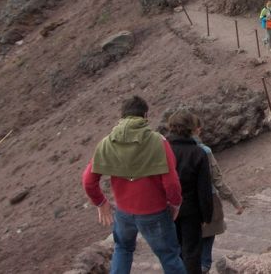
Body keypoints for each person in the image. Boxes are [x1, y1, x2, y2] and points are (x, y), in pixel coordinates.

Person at [82, 96, 186, 274]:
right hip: (155, 213)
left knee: (123, 249)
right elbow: (171, 183)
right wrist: (175, 203)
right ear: (145, 115)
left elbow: (88, 180)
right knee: (168, 256)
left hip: (124, 213)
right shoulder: (158, 142)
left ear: (122, 116)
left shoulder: (107, 143)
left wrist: (101, 202)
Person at [193, 118, 243, 274]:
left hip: (183, 202)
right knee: (208, 233)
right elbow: (217, 181)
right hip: (208, 199)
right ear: (198, 129)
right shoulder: (204, 151)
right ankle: (204, 265)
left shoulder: (170, 148)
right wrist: (235, 202)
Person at [167, 110, 213, 274]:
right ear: (192, 129)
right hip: (191, 210)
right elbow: (204, 188)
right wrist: (207, 215)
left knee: (172, 250)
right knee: (192, 252)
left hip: (166, 208)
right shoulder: (198, 153)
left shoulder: (163, 151)